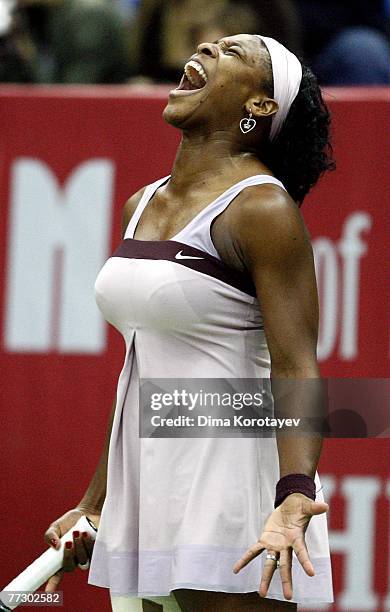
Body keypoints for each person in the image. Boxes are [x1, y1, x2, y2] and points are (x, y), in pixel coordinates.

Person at [43, 33, 335, 611]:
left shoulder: (262, 210)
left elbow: (296, 363)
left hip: (230, 483)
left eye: (233, 52)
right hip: (148, 483)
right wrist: (95, 501)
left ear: (260, 105)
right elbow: (141, 367)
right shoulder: (141, 204)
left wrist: (295, 490)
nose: (207, 45)